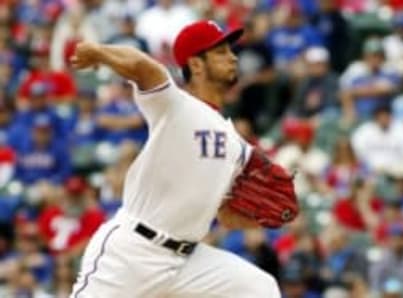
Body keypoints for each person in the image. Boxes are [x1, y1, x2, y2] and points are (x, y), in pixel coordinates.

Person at [68, 20, 288, 297]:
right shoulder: (175, 105)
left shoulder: (237, 144)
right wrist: (99, 52)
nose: (233, 57)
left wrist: (261, 217)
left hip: (185, 261)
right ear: (196, 64)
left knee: (259, 288)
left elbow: (227, 216)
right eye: (220, 51)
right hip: (132, 253)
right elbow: (143, 67)